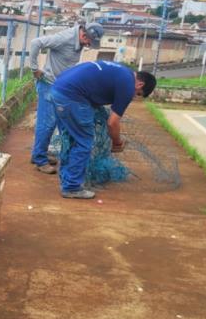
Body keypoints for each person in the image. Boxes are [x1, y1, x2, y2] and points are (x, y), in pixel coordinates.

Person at [48, 60, 156, 199]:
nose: (134, 96)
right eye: (138, 94)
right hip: (72, 96)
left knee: (70, 138)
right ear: (140, 84)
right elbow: (113, 123)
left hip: (58, 89)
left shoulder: (121, 71)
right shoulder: (128, 85)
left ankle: (67, 179)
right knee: (83, 142)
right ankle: (72, 187)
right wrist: (117, 143)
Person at [28, 22, 104, 174]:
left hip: (60, 87)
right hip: (49, 84)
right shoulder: (65, 37)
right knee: (47, 123)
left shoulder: (79, 41)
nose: (89, 45)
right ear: (84, 35)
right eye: (89, 41)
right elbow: (36, 43)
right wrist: (34, 69)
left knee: (54, 122)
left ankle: (39, 153)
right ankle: (40, 160)